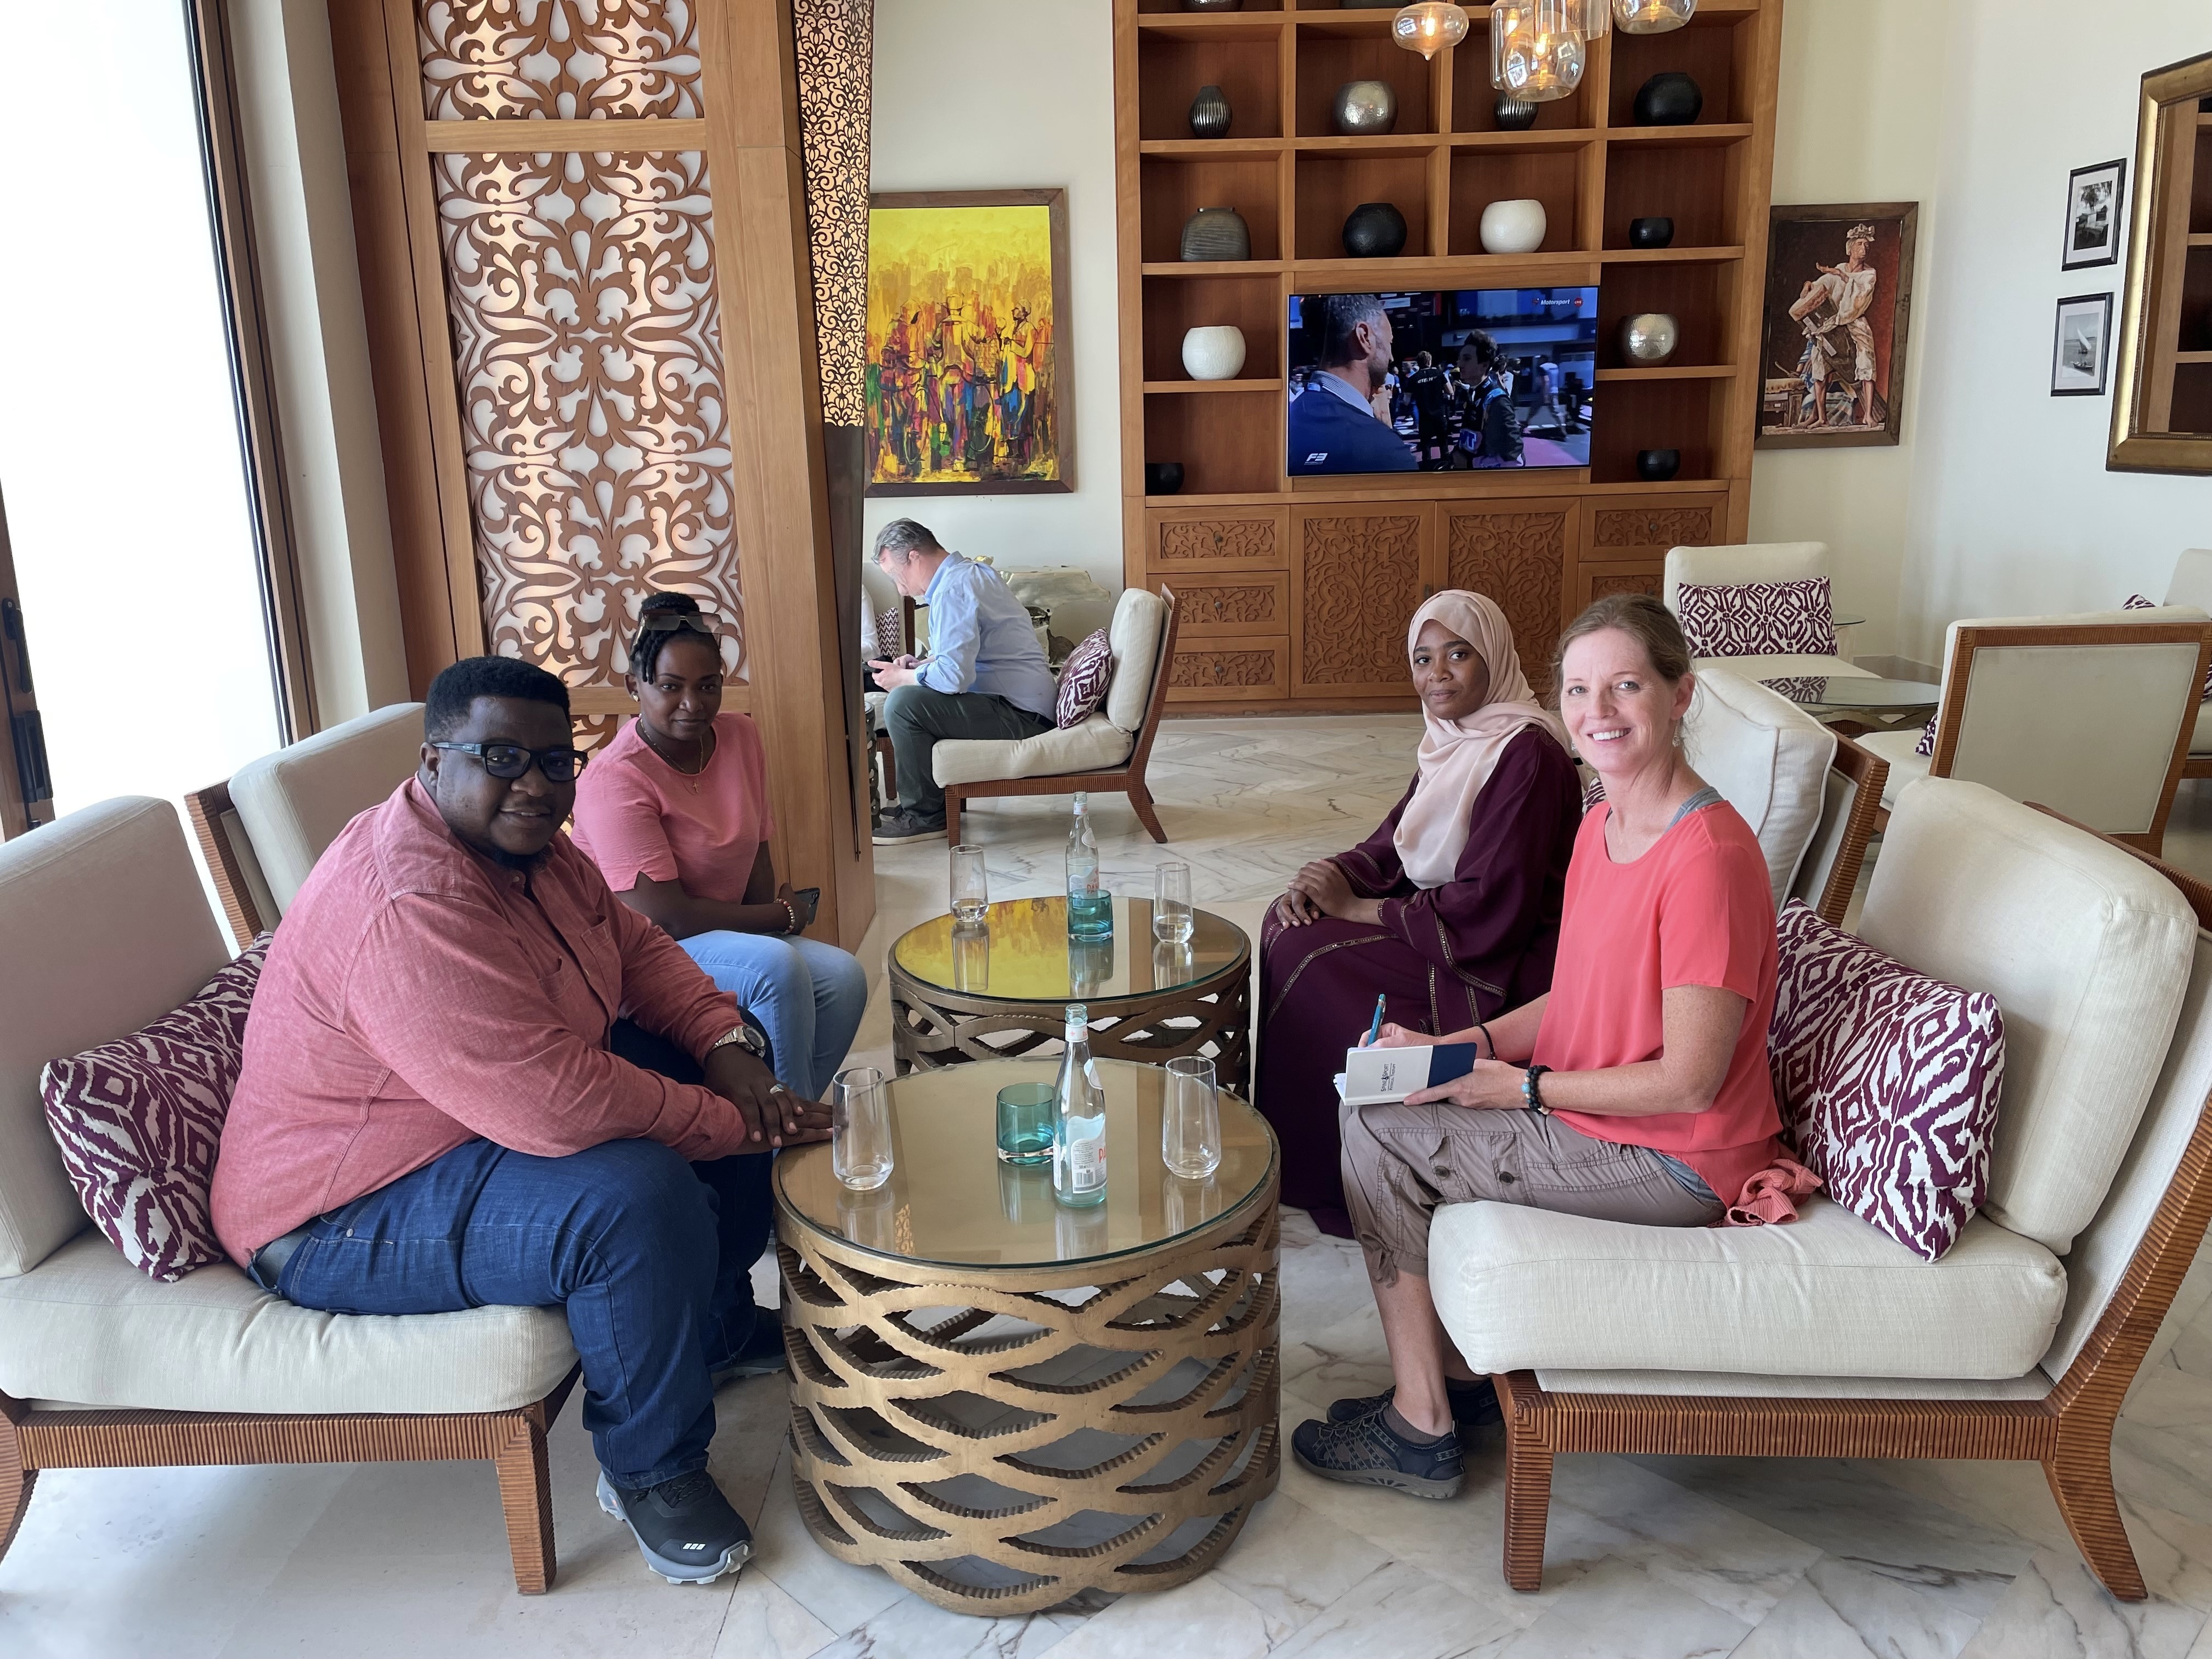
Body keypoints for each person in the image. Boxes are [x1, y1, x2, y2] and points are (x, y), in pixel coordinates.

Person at [209, 657, 821, 1586]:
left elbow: (638, 947)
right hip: (340, 1206)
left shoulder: (527, 848)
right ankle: (651, 1467)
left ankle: (713, 1325)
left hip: (458, 1121)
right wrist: (727, 1120)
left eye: (553, 760)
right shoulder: (409, 901)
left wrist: (728, 1047)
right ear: (432, 760)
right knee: (633, 1193)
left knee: (728, 1079)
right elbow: (555, 1102)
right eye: (500, 757)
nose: (534, 784)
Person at [1290, 592, 1783, 1500]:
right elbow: (1574, 994)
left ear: (1681, 694)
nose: (1598, 711)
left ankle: (1420, 1421)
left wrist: (1518, 1089)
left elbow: (1690, 1077)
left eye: (1626, 685)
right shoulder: (1603, 823)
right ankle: (1462, 1384)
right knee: (1380, 1090)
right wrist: (1451, 1046)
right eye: (1581, 689)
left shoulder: (1704, 856)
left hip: (1674, 1156)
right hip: (1596, 1114)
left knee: (1374, 1131)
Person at [1256, 591, 1579, 1238]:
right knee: (1284, 922)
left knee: (1311, 958)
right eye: (1423, 658)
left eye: (1459, 654)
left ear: (1494, 659)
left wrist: (1363, 909)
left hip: (1501, 955)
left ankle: (1346, 1173)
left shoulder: (1528, 755)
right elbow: (1396, 841)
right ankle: (1296, 1150)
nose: (1439, 674)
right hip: (1453, 919)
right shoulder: (1456, 740)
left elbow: (1493, 903)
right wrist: (1329, 879)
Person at [570, 594, 867, 1102]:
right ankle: (783, 1147)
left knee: (844, 977)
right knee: (779, 969)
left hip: (721, 929)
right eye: (670, 687)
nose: (692, 704)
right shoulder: (615, 778)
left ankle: (792, 1108)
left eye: (707, 686)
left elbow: (756, 844)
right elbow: (666, 920)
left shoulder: (739, 735)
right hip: (640, 948)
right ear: (634, 686)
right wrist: (781, 919)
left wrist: (773, 919)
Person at [866, 518, 1059, 844]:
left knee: (902, 704)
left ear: (914, 558)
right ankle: (928, 804)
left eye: (897, 578)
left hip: (1023, 716)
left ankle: (926, 816)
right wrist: (920, 665)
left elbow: (955, 678)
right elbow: (966, 656)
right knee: (910, 693)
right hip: (1021, 704)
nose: (900, 590)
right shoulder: (971, 573)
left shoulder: (953, 588)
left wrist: (905, 678)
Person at [1289, 294, 1419, 476]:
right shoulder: (1385, 452)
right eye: (1389, 343)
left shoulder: (1287, 419)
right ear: (1364, 337)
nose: (1391, 357)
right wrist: (1386, 435)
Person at [1789, 221, 1881, 429]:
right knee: (1820, 367)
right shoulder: (1840, 268)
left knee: (1866, 363)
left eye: (1867, 246)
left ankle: (1868, 415)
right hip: (1832, 323)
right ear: (1850, 248)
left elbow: (1858, 300)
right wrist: (1808, 285)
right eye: (1859, 245)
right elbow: (1823, 284)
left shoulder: (1869, 274)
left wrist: (1843, 277)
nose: (1864, 249)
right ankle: (1821, 417)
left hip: (1854, 322)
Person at [1452, 332, 1522, 469]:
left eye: (1467, 359)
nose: (1459, 364)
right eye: (1460, 359)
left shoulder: (1497, 401)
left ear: (1484, 365)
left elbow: (1516, 459)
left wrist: (1472, 464)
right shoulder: (1472, 393)